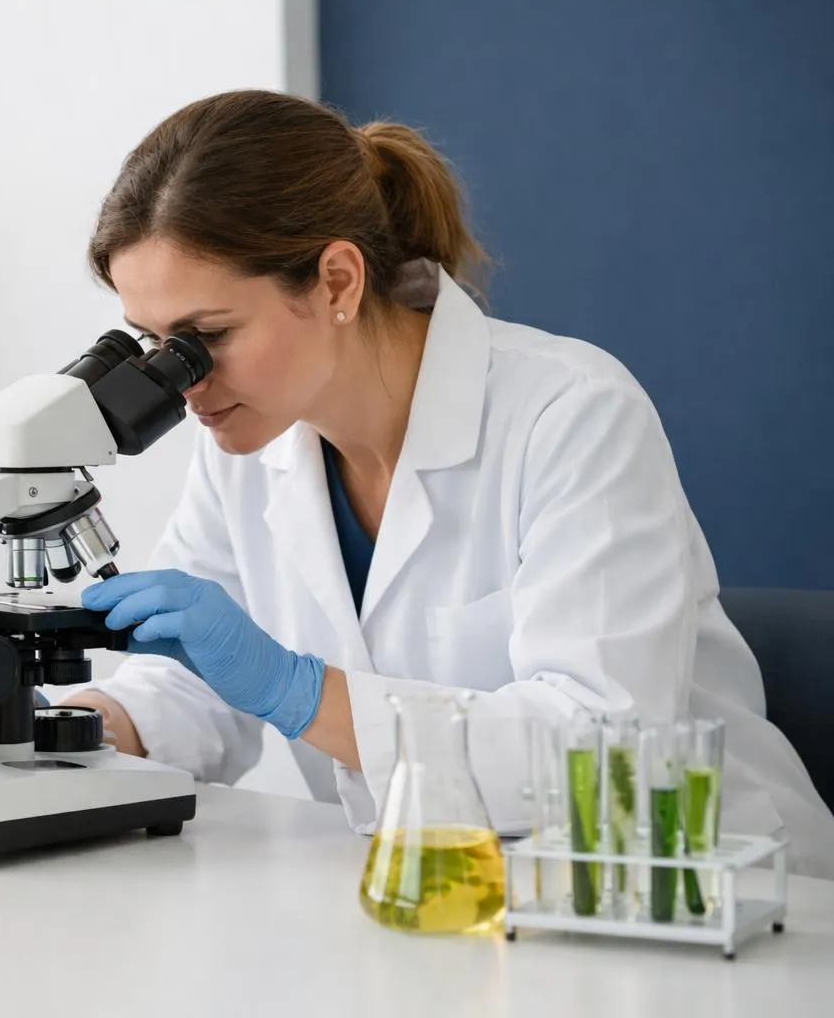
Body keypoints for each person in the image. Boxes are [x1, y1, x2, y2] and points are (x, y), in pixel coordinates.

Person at [62, 89, 834, 878]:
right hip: (442, 906)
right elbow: (198, 693)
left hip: (700, 901)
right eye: (154, 343)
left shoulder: (570, 414)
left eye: (205, 337)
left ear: (336, 282)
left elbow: (597, 747)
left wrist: (295, 689)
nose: (179, 382)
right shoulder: (246, 446)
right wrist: (74, 731)